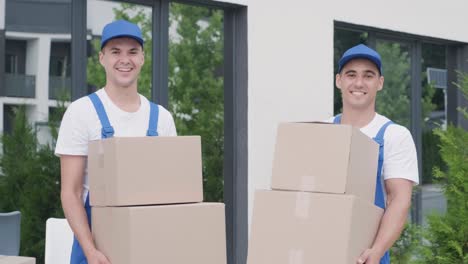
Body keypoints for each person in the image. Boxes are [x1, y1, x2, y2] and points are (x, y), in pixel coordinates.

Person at [55, 19, 177, 264]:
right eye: (115, 51)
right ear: (102, 58)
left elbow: (170, 195)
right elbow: (71, 193)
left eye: (133, 52)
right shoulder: (82, 112)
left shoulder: (162, 118)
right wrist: (90, 251)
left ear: (142, 58)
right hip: (97, 251)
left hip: (149, 246)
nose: (125, 59)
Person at [332, 44, 419, 264]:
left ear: (379, 83)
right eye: (351, 74)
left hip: (365, 257)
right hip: (322, 249)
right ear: (339, 81)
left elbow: (399, 200)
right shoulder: (324, 131)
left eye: (368, 75)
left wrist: (377, 251)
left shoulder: (394, 136)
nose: (359, 83)